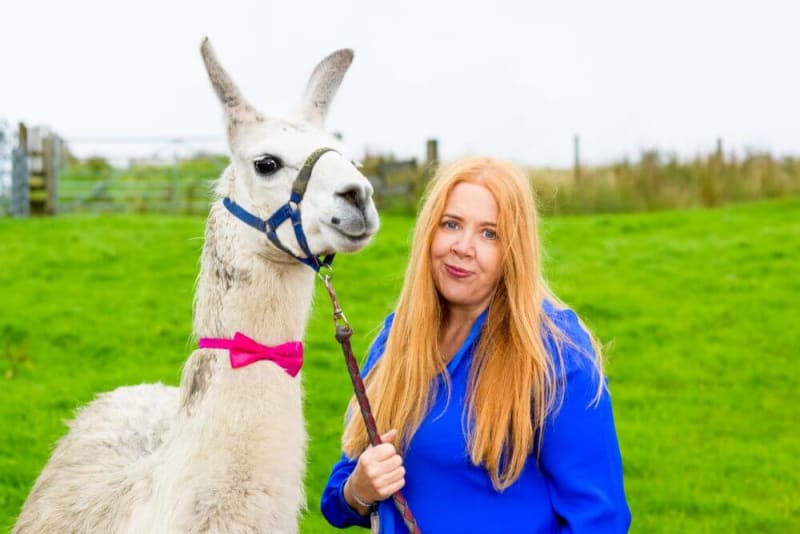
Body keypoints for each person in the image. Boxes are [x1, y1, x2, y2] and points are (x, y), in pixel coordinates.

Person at [320, 157, 631, 533]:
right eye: (451, 224)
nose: (463, 247)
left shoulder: (557, 354)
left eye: (489, 234)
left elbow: (600, 521)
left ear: (514, 251)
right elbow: (340, 494)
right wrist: (359, 490)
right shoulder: (396, 338)